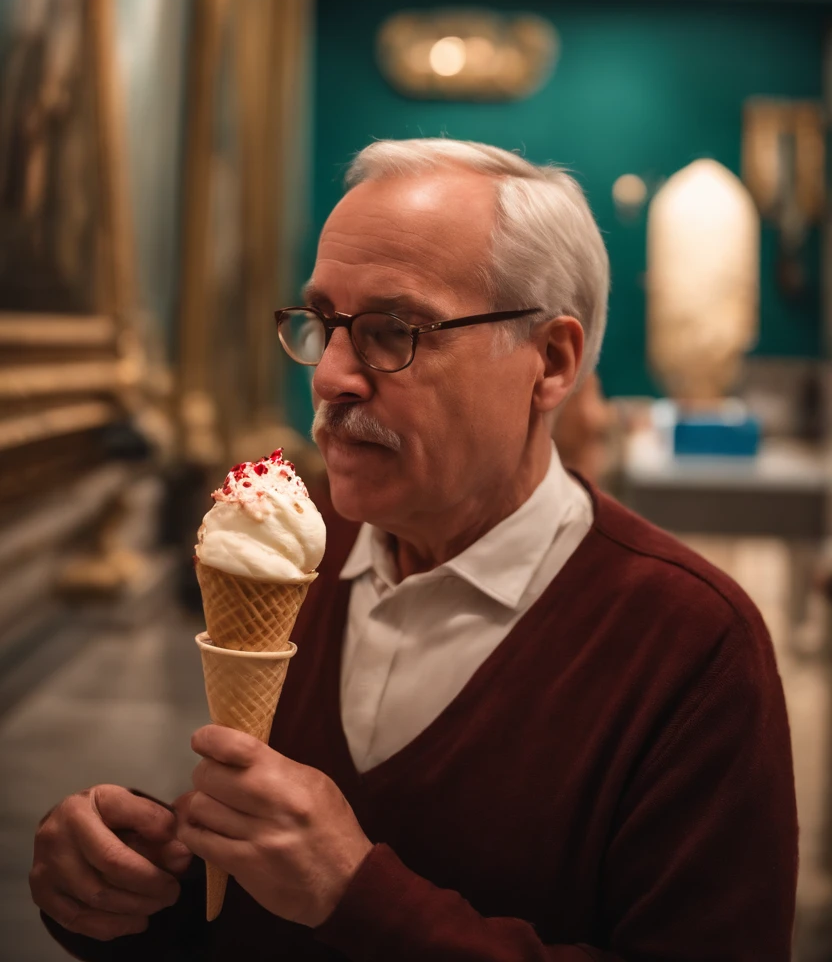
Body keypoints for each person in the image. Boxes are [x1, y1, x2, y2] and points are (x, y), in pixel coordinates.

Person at [31, 139, 798, 961]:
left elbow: (334, 893)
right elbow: (261, 911)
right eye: (321, 323)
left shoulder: (691, 642)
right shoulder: (294, 549)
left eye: (392, 331)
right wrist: (140, 888)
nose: (330, 376)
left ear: (551, 361)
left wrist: (356, 896)